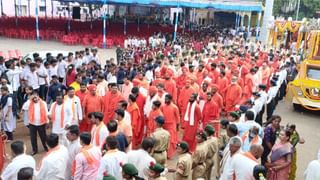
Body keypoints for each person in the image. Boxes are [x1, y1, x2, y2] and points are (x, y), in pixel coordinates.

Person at [160, 94, 180, 159]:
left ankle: (169, 155)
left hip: (172, 126)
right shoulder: (163, 106)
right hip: (164, 125)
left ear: (170, 100)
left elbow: (177, 117)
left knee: (171, 140)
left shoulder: (175, 107)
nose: (166, 100)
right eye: (165, 99)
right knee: (164, 139)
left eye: (167, 99)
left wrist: (177, 126)